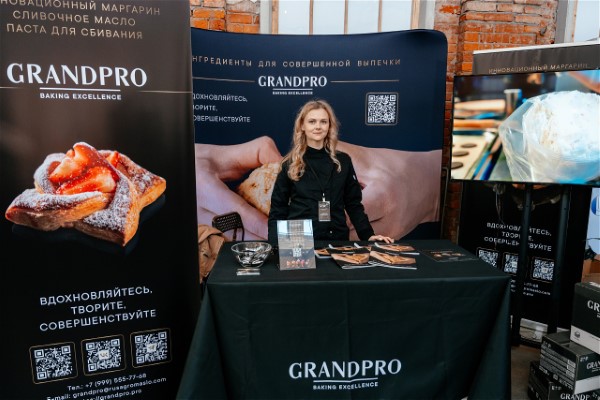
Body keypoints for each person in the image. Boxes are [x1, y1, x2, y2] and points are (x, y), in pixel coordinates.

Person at [267, 99, 394, 244]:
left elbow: (353, 204)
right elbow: (278, 209)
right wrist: (274, 244)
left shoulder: (343, 161)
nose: (318, 127)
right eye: (312, 122)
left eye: (323, 122)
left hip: (337, 239)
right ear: (302, 125)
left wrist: (368, 235)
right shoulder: (290, 164)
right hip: (299, 242)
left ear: (329, 126)